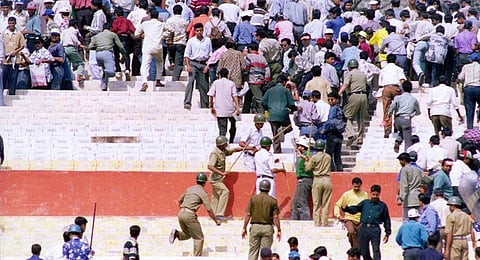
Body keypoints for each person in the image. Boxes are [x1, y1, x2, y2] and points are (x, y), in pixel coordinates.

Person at [169, 173, 221, 256]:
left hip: (181, 213)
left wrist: (184, 210)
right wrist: (216, 221)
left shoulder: (189, 189)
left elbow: (179, 201)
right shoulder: (203, 193)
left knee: (188, 234)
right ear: (204, 183)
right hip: (190, 214)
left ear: (197, 181)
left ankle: (177, 233)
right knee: (199, 238)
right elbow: (209, 209)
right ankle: (196, 257)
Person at [342, 184, 392, 260]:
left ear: (379, 194)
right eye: (373, 194)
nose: (375, 196)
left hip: (375, 229)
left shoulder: (382, 206)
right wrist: (346, 208)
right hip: (364, 228)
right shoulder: (365, 203)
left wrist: (387, 233)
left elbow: (386, 219)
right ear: (370, 193)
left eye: (377, 195)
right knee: (363, 250)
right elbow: (355, 209)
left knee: (376, 249)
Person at [242, 179, 281, 260]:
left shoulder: (253, 199)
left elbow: (248, 214)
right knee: (266, 253)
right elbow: (275, 217)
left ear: (259, 187)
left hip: (255, 226)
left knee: (253, 251)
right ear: (269, 188)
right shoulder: (273, 200)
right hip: (267, 227)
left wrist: (244, 227)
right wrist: (279, 229)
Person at [208, 135, 243, 220]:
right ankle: (219, 214)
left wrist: (245, 148)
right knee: (225, 191)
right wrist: (222, 173)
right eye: (224, 144)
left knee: (216, 196)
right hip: (215, 179)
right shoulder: (215, 153)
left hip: (218, 179)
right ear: (220, 145)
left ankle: (213, 215)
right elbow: (210, 166)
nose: (226, 145)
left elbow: (233, 150)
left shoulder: (222, 151)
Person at [261, 74, 297, 153]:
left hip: (272, 114)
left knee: (275, 134)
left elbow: (263, 102)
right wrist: (295, 109)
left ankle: (277, 151)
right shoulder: (286, 91)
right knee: (289, 127)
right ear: (284, 82)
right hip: (283, 114)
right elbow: (291, 104)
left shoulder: (269, 90)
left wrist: (267, 108)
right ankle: (282, 131)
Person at [338, 59, 367, 146]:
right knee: (361, 118)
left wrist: (339, 93)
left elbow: (346, 84)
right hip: (364, 96)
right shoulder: (362, 74)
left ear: (349, 67)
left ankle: (351, 134)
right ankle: (360, 137)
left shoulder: (349, 74)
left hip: (354, 95)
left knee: (346, 116)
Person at [88, 22, 126, 91]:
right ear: (111, 28)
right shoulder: (112, 34)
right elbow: (120, 46)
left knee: (105, 72)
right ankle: (103, 72)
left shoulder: (96, 36)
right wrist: (124, 54)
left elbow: (90, 47)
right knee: (111, 72)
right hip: (107, 53)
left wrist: (98, 47)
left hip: (98, 55)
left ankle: (104, 86)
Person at [334, 177, 369, 248]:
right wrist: (338, 215)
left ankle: (355, 249)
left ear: (361, 185)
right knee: (351, 232)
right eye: (355, 186)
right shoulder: (346, 194)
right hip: (349, 218)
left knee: (360, 235)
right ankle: (355, 249)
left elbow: (367, 207)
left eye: (358, 186)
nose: (356, 188)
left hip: (360, 220)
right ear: (352, 185)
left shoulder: (365, 195)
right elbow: (337, 205)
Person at [183, 23, 212, 110]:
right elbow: (187, 55)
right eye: (197, 31)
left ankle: (205, 104)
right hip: (193, 63)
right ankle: (187, 102)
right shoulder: (191, 41)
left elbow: (210, 54)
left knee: (204, 85)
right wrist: (188, 66)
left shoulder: (207, 40)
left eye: (200, 30)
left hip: (203, 63)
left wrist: (208, 66)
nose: (199, 32)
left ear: (203, 30)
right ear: (195, 31)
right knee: (191, 82)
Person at [208, 69, 241, 143]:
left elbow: (211, 95)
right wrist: (238, 106)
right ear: (227, 75)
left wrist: (211, 106)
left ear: (219, 75)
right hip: (230, 108)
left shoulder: (216, 83)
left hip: (220, 109)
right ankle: (231, 140)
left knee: (222, 128)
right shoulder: (231, 83)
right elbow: (234, 95)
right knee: (233, 124)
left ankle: (222, 141)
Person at [387, 80, 421, 152]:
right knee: (408, 140)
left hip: (397, 119)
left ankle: (398, 140)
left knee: (403, 131)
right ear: (411, 89)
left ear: (402, 88)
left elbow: (392, 106)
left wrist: (389, 114)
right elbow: (418, 112)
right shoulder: (414, 100)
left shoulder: (398, 98)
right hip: (406, 119)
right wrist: (412, 114)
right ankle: (406, 154)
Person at [305, 139, 332, 227]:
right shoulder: (328, 156)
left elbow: (308, 169)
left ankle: (317, 223)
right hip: (327, 180)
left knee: (316, 204)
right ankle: (324, 223)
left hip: (317, 179)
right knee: (326, 204)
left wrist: (306, 162)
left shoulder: (314, 157)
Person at [379, 54, 405, 138]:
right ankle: (397, 126)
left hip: (386, 88)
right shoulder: (398, 69)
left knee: (386, 109)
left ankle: (387, 128)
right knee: (398, 108)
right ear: (395, 60)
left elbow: (380, 82)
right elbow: (402, 80)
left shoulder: (383, 70)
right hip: (395, 88)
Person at [243, 42, 270, 114]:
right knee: (248, 95)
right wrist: (266, 79)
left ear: (249, 49)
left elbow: (246, 68)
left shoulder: (249, 57)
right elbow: (267, 69)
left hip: (253, 80)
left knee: (258, 98)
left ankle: (262, 113)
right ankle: (245, 111)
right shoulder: (262, 58)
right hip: (261, 79)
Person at [291, 136, 313, 220]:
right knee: (295, 202)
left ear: (303, 147)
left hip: (305, 179)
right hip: (301, 180)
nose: (297, 147)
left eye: (299, 146)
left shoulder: (307, 155)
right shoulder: (302, 155)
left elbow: (309, 160)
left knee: (302, 201)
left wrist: (301, 156)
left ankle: (305, 220)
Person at [397, 152, 423, 221]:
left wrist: (401, 198)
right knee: (417, 219)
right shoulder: (418, 169)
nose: (400, 163)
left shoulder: (404, 170)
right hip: (417, 197)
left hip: (408, 199)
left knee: (407, 219)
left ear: (404, 160)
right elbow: (426, 180)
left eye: (400, 161)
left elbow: (404, 186)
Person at [457, 52, 480, 129]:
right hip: (478, 88)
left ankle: (469, 127)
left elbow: (460, 77)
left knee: (469, 108)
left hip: (468, 88)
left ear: (471, 60)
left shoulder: (465, 67)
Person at [165, 5, 188, 82]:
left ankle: (171, 62)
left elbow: (167, 31)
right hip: (181, 42)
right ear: (181, 11)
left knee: (171, 55)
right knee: (179, 62)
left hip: (171, 42)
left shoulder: (169, 20)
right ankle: (175, 78)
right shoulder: (184, 21)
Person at [3, 17, 25, 95]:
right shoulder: (4, 33)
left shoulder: (19, 34)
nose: (11, 25)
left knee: (13, 77)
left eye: (13, 23)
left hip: (15, 59)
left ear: (15, 23)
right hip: (5, 59)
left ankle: (12, 93)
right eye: (10, 23)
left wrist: (15, 52)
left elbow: (22, 45)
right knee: (3, 77)